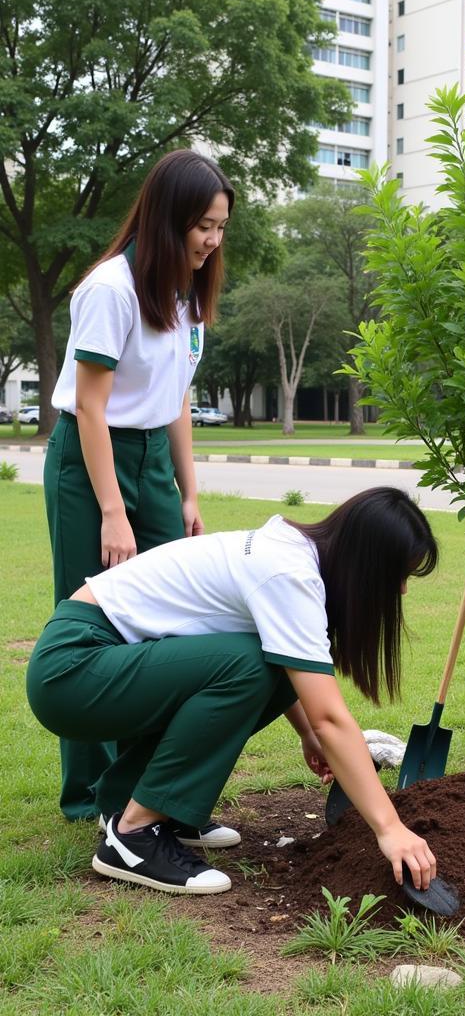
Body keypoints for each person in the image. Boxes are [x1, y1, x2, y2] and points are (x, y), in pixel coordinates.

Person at [26, 487, 439, 896]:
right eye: (399, 574)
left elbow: (293, 681)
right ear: (368, 563)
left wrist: (306, 734)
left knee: (268, 661)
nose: (401, 590)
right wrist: (390, 829)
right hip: (74, 669)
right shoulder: (288, 574)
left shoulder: (292, 552)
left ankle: (132, 802)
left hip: (100, 663)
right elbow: (329, 716)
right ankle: (132, 836)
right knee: (250, 664)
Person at [43, 149, 233, 842]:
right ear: (169, 217)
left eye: (219, 228)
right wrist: (113, 513)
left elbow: (176, 397)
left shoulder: (186, 294)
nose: (213, 241)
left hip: (152, 457)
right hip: (92, 461)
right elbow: (91, 408)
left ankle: (152, 793)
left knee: (169, 622)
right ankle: (88, 793)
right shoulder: (109, 289)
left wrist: (186, 490)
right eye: (203, 226)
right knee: (95, 626)